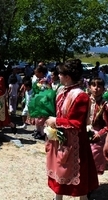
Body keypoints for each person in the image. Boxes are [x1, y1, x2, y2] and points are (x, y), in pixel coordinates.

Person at [45, 59, 99, 200]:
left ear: (67, 76)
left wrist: (56, 121)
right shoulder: (62, 92)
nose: (58, 76)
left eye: (61, 74)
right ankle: (58, 197)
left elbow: (77, 123)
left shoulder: (80, 95)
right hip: (62, 137)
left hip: (75, 141)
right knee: (60, 167)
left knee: (75, 171)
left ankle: (82, 197)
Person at [87, 77, 108, 175]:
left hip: (97, 136)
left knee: (93, 156)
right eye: (94, 85)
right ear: (89, 87)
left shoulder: (105, 105)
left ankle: (91, 183)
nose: (96, 88)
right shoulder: (85, 100)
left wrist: (100, 134)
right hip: (83, 132)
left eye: (99, 86)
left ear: (104, 89)